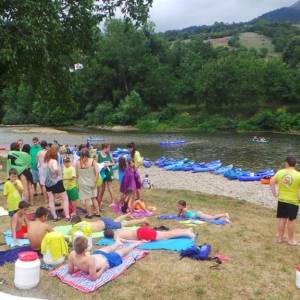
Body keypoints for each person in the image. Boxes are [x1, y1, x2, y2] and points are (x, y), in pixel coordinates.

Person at [68, 236, 142, 280]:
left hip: (97, 255)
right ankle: (134, 245)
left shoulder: (72, 254)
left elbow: (71, 271)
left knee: (109, 248)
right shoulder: (89, 260)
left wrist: (79, 267)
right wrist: (103, 268)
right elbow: (93, 278)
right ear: (85, 250)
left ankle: (118, 243)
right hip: (108, 260)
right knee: (122, 251)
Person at [270, 156, 300, 246]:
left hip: (282, 200)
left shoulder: (280, 172)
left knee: (282, 219)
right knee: (291, 220)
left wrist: (274, 193)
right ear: (295, 164)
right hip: (293, 201)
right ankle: (291, 240)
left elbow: (271, 182)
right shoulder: (298, 175)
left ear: (286, 163)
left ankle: (280, 238)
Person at [44, 145, 70, 221]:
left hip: (47, 183)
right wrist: (57, 174)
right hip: (56, 182)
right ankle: (67, 216)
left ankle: (55, 217)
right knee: (65, 198)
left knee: (51, 200)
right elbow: (55, 169)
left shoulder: (46, 161)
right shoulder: (54, 161)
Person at [76, 148, 100, 219]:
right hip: (92, 182)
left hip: (83, 183)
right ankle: (98, 212)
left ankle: (90, 214)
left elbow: (77, 175)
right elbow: (97, 172)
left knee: (87, 199)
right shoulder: (93, 161)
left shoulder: (78, 162)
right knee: (93, 198)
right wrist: (95, 181)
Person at [70, 214, 148, 232]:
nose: (72, 225)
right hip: (103, 220)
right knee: (116, 221)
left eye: (72, 224)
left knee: (125, 223)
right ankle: (127, 214)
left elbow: (70, 232)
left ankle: (143, 220)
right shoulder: (84, 223)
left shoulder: (79, 227)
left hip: (107, 225)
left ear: (75, 224)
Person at [104, 226, 195, 241]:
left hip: (142, 235)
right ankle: (186, 230)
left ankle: (187, 232)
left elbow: (125, 242)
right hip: (140, 231)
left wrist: (139, 242)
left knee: (167, 235)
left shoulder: (116, 236)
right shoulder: (117, 230)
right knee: (167, 233)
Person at [3, 168, 24, 233]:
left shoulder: (18, 182)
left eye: (15, 176)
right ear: (9, 176)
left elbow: (22, 190)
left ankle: (19, 231)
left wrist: (16, 185)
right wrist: (5, 204)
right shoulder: (7, 184)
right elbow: (5, 195)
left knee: (20, 219)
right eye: (12, 176)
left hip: (18, 205)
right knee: (13, 220)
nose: (14, 178)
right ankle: (13, 231)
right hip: (11, 206)